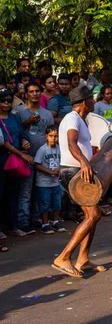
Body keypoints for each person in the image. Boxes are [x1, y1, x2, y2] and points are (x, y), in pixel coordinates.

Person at [53, 86, 106, 278]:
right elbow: (71, 143)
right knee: (92, 214)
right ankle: (64, 257)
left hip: (79, 170)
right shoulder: (72, 118)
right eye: (92, 98)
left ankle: (82, 259)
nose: (94, 101)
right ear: (84, 102)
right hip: (74, 171)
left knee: (94, 214)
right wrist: (84, 163)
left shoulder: (80, 120)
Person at [17, 82, 55, 233]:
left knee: (40, 190)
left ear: (41, 93)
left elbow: (52, 135)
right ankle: (23, 221)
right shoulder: (19, 112)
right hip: (26, 157)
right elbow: (14, 132)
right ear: (26, 94)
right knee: (25, 191)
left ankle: (35, 218)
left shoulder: (47, 114)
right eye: (31, 91)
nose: (35, 94)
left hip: (43, 159)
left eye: (37, 91)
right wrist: (27, 122)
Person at [0, 88, 35, 237]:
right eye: (3, 100)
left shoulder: (14, 118)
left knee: (13, 194)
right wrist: (21, 153)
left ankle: (14, 226)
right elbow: (4, 142)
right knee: (0, 195)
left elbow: (22, 133)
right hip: (2, 161)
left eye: (9, 100)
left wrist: (25, 142)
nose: (7, 103)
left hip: (14, 162)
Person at [34, 126, 65, 234]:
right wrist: (49, 171)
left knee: (56, 203)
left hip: (55, 182)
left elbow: (62, 161)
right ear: (46, 137)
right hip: (43, 183)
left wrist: (59, 169)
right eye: (51, 136)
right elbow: (37, 164)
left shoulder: (59, 148)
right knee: (45, 204)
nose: (53, 138)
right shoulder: (42, 150)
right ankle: (45, 224)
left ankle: (55, 221)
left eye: (56, 136)